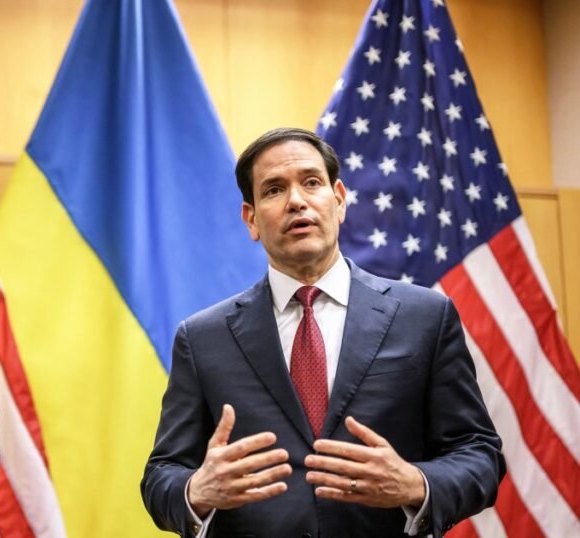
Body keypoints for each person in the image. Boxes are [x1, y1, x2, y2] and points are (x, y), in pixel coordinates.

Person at [141, 128, 504, 537]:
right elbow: (161, 475)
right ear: (251, 219)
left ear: (339, 200)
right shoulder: (203, 338)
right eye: (274, 190)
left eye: (311, 182)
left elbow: (480, 454)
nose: (296, 200)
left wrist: (415, 484)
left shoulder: (425, 317)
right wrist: (196, 491)